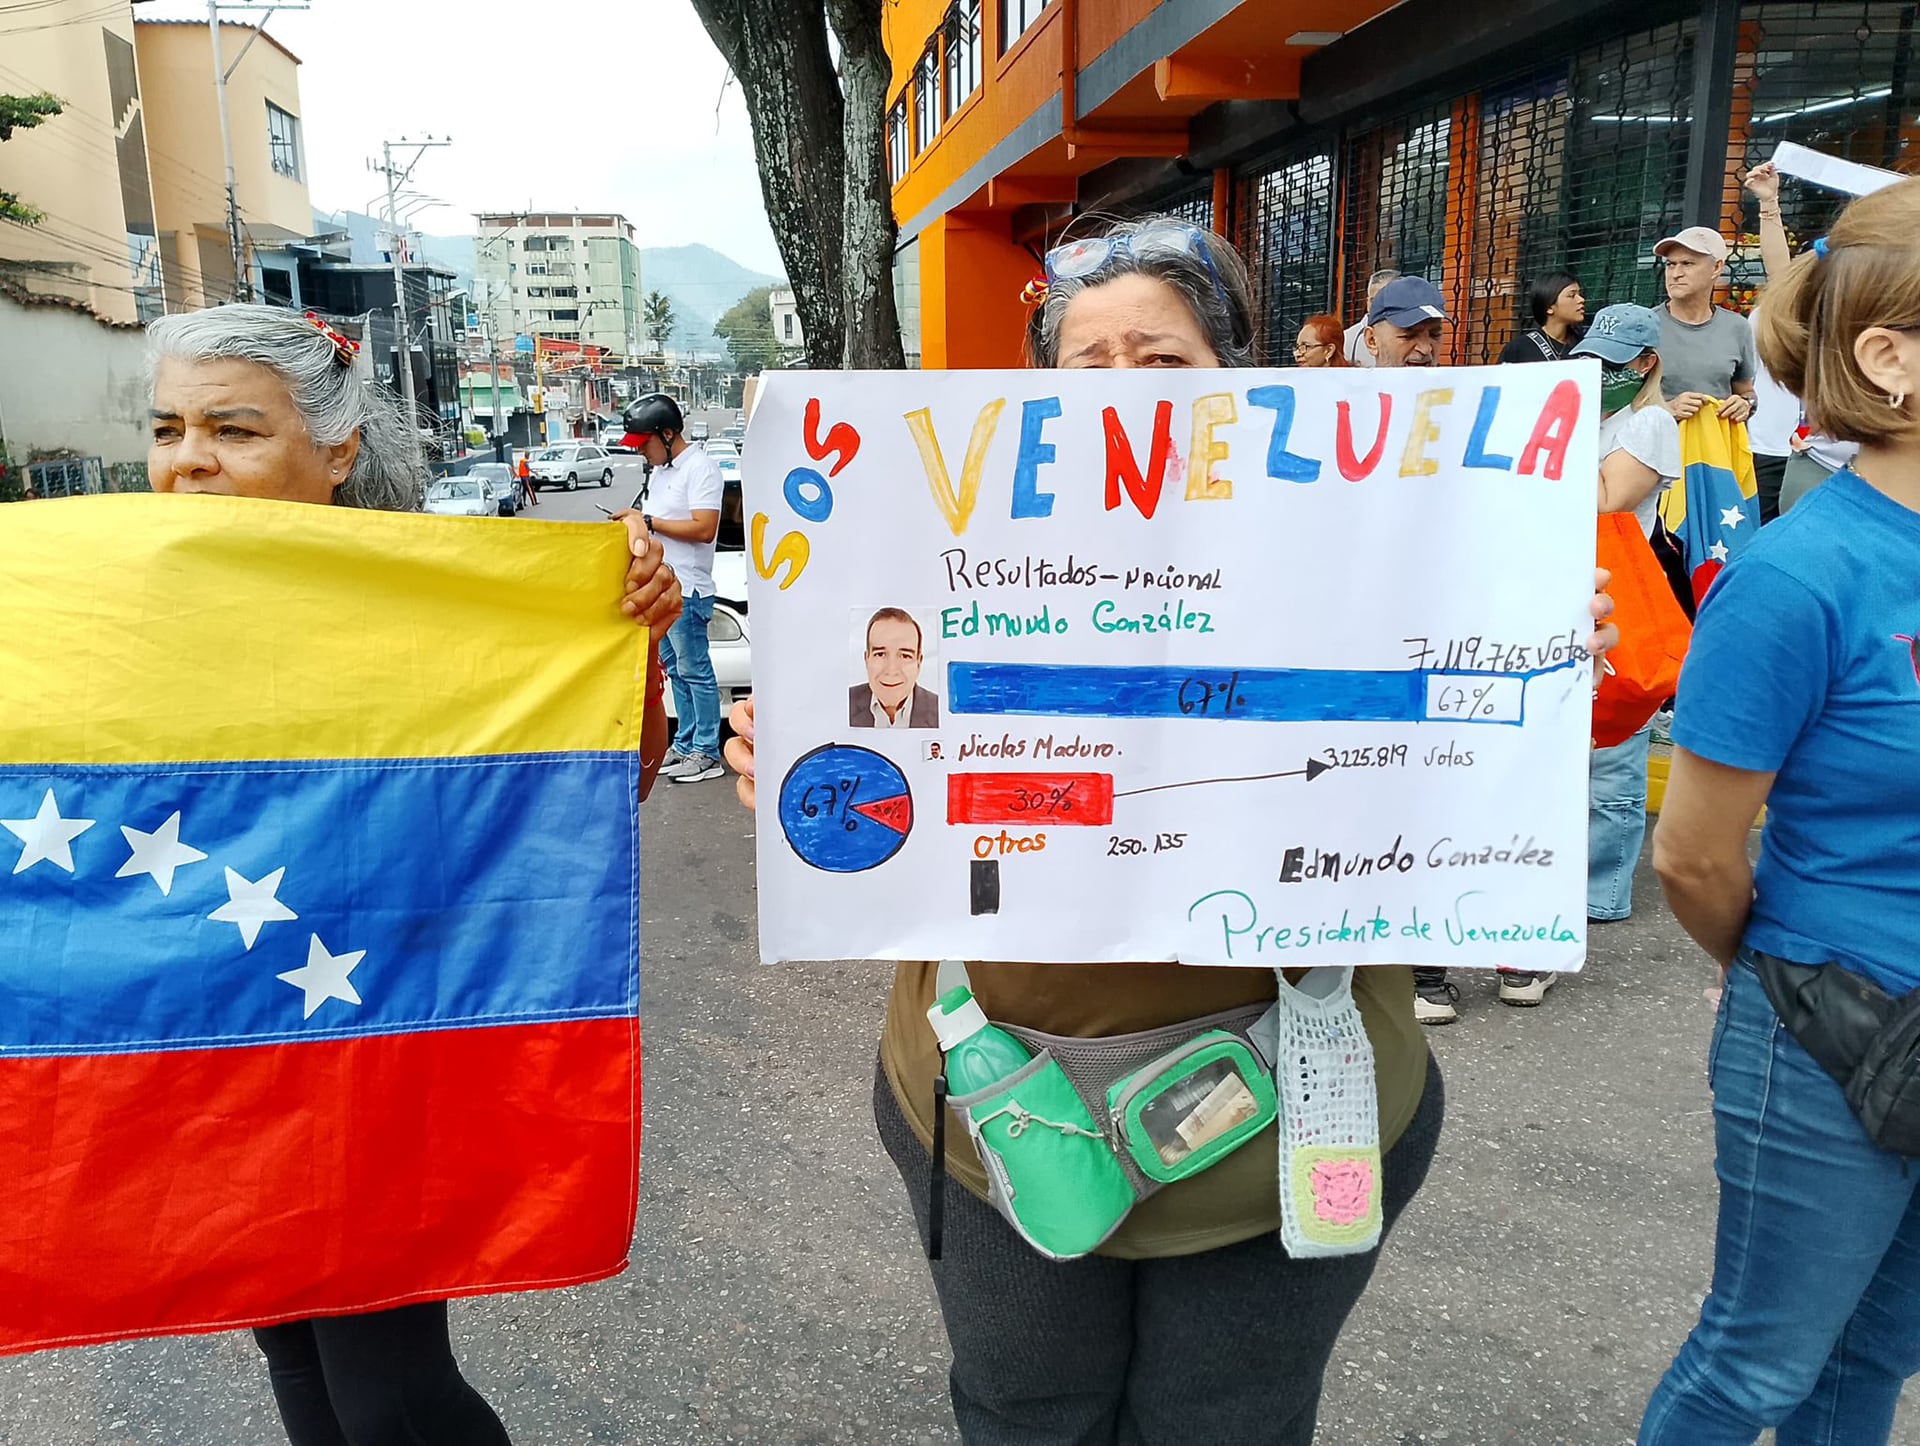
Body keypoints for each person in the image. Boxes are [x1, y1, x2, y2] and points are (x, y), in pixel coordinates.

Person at [720, 215, 1618, 1445]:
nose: (1125, 399)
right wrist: (800, 765)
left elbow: (1472, 736)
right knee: (1026, 1414)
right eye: (1087, 369)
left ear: (1237, 386)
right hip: (998, 1115)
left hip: (1285, 1114)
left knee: (1230, 1424)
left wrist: (1539, 648)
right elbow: (869, 767)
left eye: (1165, 364)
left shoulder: (1362, 551)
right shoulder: (947, 551)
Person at [142, 304, 682, 1446]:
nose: (188, 459)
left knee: (389, 1392)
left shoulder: (439, 603)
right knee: (290, 1349)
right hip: (221, 1035)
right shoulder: (117, 602)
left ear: (337, 449)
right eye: (168, 426)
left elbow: (592, 793)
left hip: (370, 1033)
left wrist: (615, 624)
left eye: (232, 429)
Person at [1640, 178, 1920, 1444]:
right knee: (1758, 1368)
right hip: (1827, 1026)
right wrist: (1779, 974)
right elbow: (1693, 857)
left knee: (1873, 1366)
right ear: (1888, 356)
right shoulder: (1798, 576)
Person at [1579, 304, 1681, 934]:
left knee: (1615, 749)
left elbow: (1608, 499)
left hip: (1625, 586)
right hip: (1583, 581)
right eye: (1590, 358)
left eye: (1611, 364)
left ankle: (1602, 891)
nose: (1596, 372)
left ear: (1645, 364)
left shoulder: (1649, 423)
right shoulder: (1601, 417)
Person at [1740, 161, 1862, 517]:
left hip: (1829, 457)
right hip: (1768, 447)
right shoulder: (1783, 308)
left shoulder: (1858, 324)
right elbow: (1781, 274)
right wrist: (1769, 204)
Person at [627, 391, 726, 783]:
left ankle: (706, 750)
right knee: (677, 672)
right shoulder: (662, 472)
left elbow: (704, 528)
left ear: (667, 434)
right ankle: (684, 743)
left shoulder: (700, 468)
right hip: (662, 588)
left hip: (689, 588)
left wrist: (650, 522)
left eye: (644, 444)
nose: (641, 453)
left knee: (695, 670)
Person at [1652, 226, 1756, 426]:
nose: (1676, 274)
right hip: (1657, 449)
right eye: (1670, 265)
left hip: (1715, 449)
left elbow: (1746, 392)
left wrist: (1744, 404)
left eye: (1687, 264)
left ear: (1716, 268)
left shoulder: (1737, 327)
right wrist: (1666, 409)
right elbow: (1615, 405)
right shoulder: (1644, 326)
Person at [850, 608, 940, 728]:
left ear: (919, 663)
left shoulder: (940, 710)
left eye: (905, 656)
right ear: (867, 659)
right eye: (880, 654)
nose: (891, 670)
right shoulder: (844, 702)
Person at [1498, 270, 1586, 363]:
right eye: (1571, 295)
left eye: (1580, 294)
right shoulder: (1519, 349)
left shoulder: (1585, 347)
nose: (1581, 300)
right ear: (1549, 307)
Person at [1342, 269, 1399, 366]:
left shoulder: (1411, 334)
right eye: (1374, 301)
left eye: (1385, 300)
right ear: (1367, 302)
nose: (1379, 306)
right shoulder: (1347, 339)